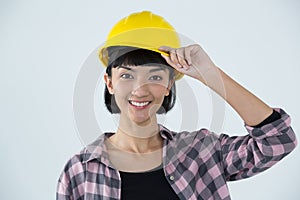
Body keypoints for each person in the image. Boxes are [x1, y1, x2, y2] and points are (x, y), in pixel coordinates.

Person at [56, 11, 297, 200]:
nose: (140, 90)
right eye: (127, 75)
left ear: (170, 84)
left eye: (155, 76)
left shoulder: (201, 152)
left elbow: (278, 141)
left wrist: (210, 74)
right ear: (109, 82)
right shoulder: (79, 171)